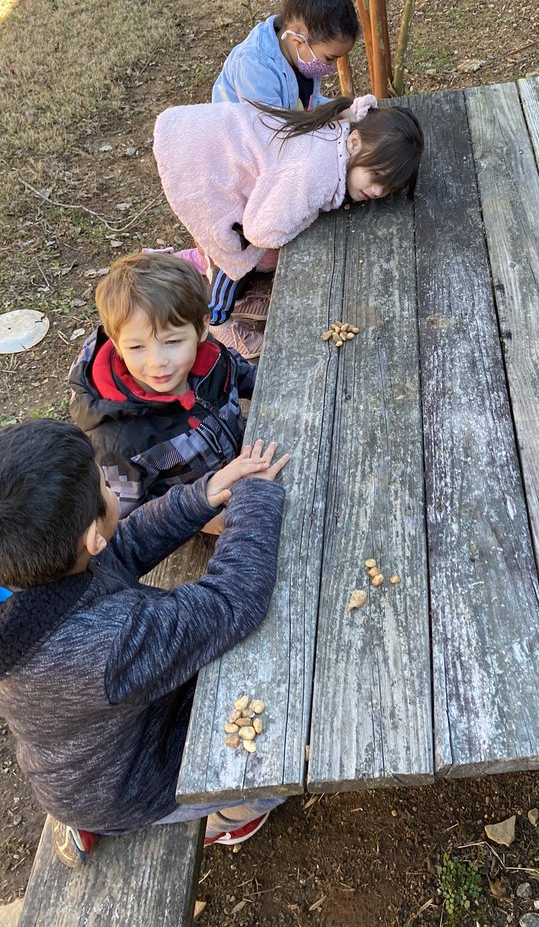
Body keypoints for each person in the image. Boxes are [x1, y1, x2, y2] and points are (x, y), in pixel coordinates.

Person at [0, 419, 290, 866]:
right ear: (91, 537)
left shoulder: (30, 578)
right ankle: (224, 820)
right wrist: (254, 498)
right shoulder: (109, 645)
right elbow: (233, 600)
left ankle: (82, 813)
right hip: (133, 784)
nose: (111, 487)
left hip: (84, 753)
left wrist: (204, 494)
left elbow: (125, 545)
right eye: (105, 484)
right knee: (279, 753)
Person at [153, 98, 424, 355]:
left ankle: (239, 299)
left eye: (389, 187)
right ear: (354, 142)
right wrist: (307, 216)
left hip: (215, 138)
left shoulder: (342, 131)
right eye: (376, 175)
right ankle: (217, 318)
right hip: (202, 161)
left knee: (245, 246)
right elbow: (260, 232)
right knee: (233, 249)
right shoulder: (317, 174)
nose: (377, 191)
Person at [68, 252, 257, 523]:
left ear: (202, 329)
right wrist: (201, 519)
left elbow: (243, 374)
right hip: (199, 516)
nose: (157, 362)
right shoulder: (118, 441)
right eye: (136, 347)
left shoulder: (212, 357)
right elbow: (127, 516)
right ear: (116, 343)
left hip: (244, 459)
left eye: (172, 342)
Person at [212, 0, 371, 117]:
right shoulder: (255, 67)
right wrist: (339, 119)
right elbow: (270, 129)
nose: (333, 66)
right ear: (298, 41)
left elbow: (307, 105)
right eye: (329, 58)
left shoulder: (301, 56)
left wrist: (348, 110)